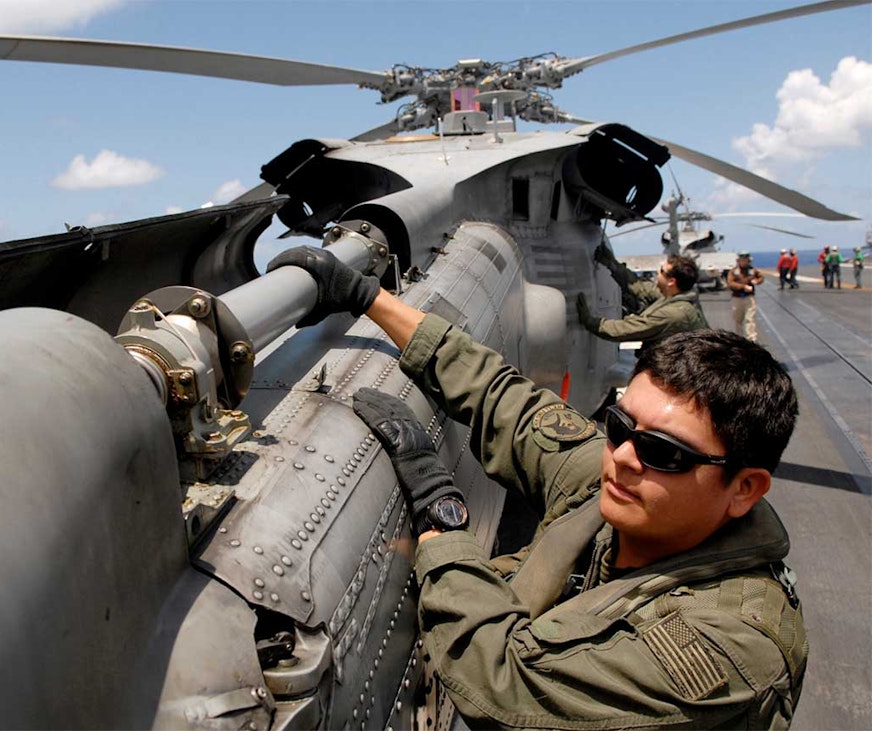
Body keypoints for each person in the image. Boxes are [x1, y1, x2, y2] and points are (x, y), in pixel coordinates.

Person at [267, 244, 806, 729]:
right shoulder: (622, 483)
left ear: (745, 487)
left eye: (664, 452)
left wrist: (443, 518)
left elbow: (503, 684)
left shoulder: (725, 645)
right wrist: (367, 297)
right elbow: (503, 398)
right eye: (619, 426)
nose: (622, 459)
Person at [577, 252, 708, 347]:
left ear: (671, 282)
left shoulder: (674, 314)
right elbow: (641, 287)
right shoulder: (676, 297)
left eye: (662, 271)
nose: (658, 272)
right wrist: (613, 265)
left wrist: (591, 322)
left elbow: (626, 329)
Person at [727, 251, 764, 342]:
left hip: (749, 297)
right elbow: (730, 283)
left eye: (745, 260)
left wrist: (757, 281)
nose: (744, 262)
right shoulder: (734, 272)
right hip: (737, 298)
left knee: (750, 319)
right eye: (742, 260)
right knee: (738, 319)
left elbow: (761, 277)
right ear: (738, 261)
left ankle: (751, 340)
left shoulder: (752, 270)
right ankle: (739, 339)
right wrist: (743, 287)